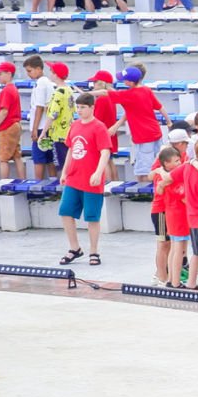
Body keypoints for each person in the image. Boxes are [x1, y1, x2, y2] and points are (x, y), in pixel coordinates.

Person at [57, 92, 111, 267]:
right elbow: (71, 150)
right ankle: (74, 248)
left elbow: (105, 152)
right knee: (65, 211)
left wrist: (98, 172)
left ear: (91, 108)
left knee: (92, 217)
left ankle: (94, 251)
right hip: (74, 177)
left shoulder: (99, 127)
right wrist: (64, 171)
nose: (79, 110)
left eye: (83, 107)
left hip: (91, 180)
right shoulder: (74, 125)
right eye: (78, 107)